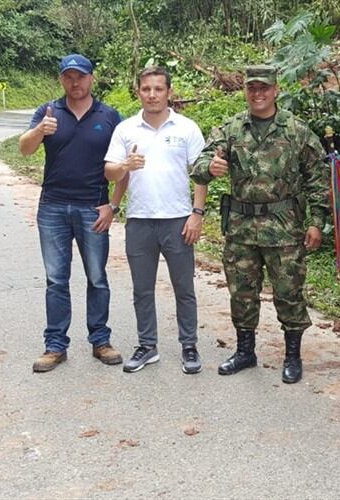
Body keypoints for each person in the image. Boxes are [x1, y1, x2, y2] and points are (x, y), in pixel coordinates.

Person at [190, 65, 329, 384]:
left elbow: (319, 179)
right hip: (241, 228)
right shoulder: (232, 128)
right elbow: (198, 166)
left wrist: (317, 222)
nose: (258, 94)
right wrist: (210, 167)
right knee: (242, 292)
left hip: (284, 229)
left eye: (264, 88)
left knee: (289, 292)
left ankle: (292, 356)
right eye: (252, 88)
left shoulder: (296, 130)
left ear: (275, 89)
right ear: (245, 91)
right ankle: (245, 352)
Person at [19, 54, 124, 372]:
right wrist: (40, 131)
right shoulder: (48, 112)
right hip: (52, 207)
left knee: (97, 277)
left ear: (92, 78)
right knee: (55, 280)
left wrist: (114, 205)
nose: (75, 82)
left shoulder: (109, 116)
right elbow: (24, 148)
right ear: (61, 79)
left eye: (80, 76)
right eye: (68, 77)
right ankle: (55, 346)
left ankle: (100, 340)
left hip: (93, 207)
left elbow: (123, 166)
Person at [104, 66, 207, 374]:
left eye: (158, 89)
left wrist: (197, 214)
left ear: (168, 92)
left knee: (183, 287)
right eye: (146, 89)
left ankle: (189, 345)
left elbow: (200, 174)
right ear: (138, 92)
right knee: (142, 289)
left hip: (177, 220)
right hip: (140, 220)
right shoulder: (126, 129)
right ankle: (147, 346)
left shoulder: (187, 128)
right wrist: (125, 165)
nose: (152, 94)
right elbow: (109, 172)